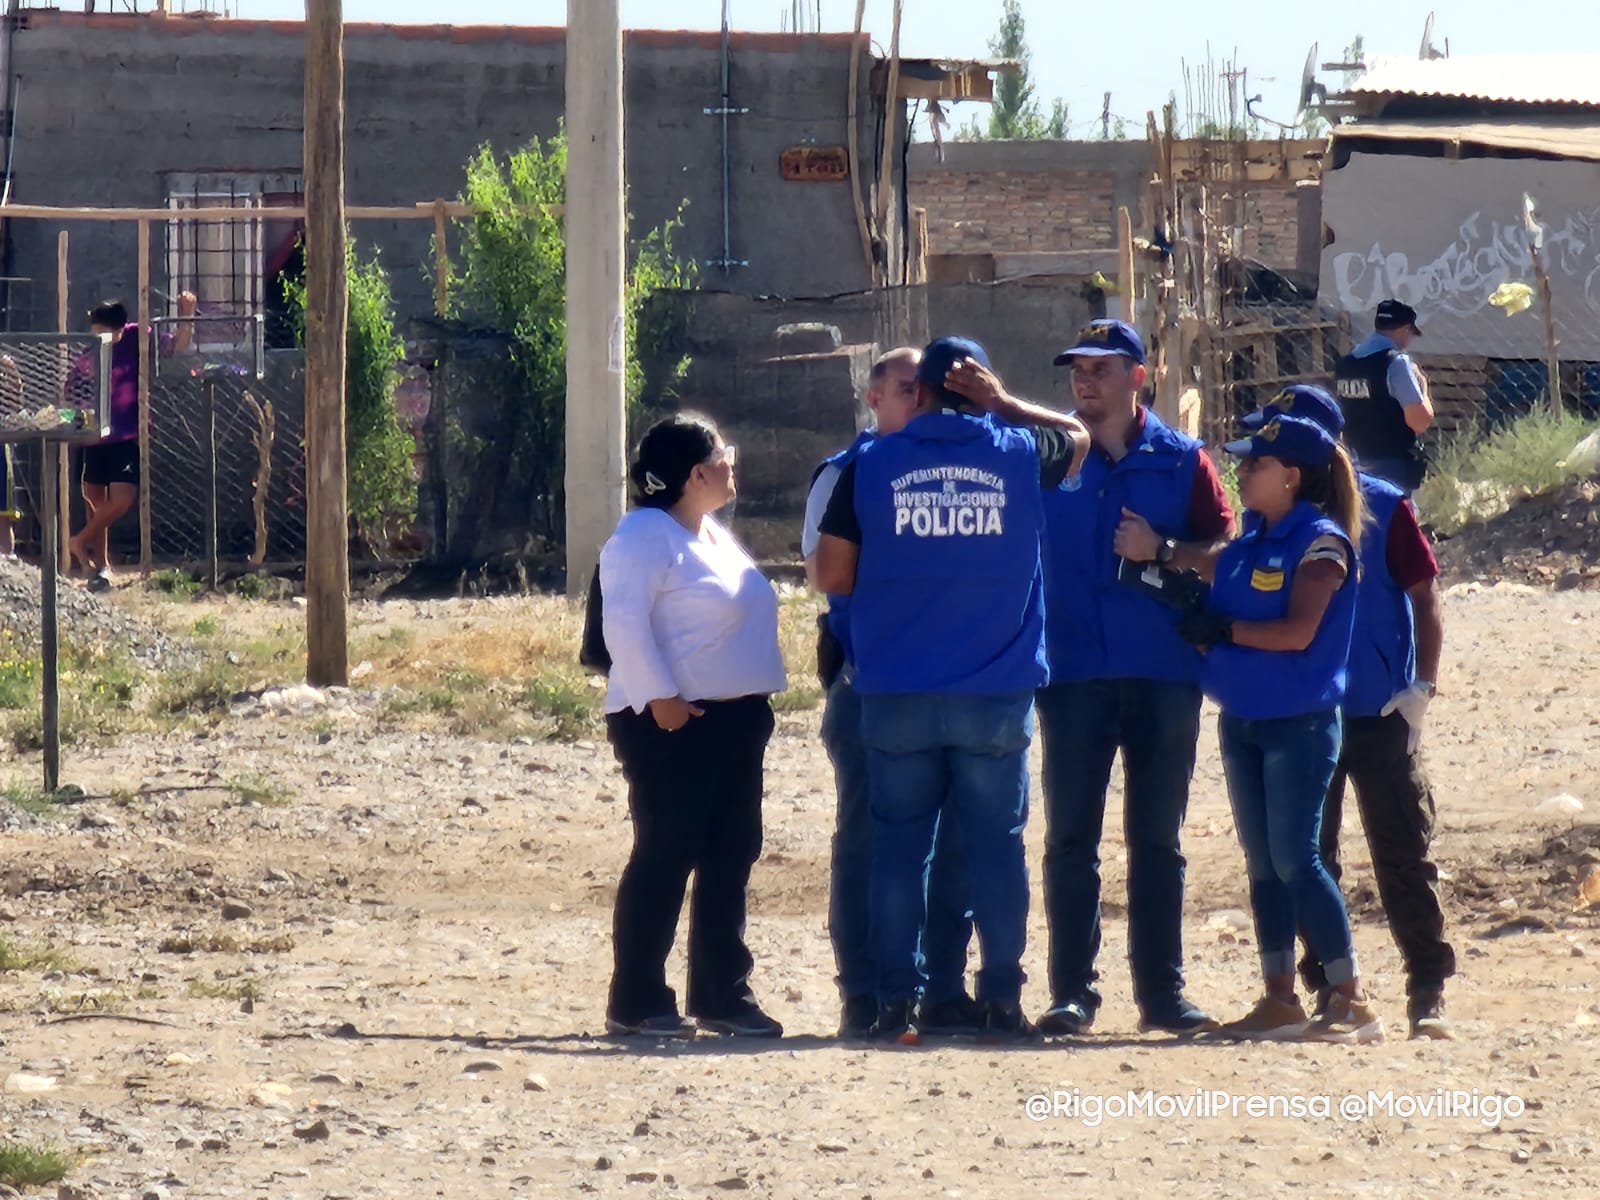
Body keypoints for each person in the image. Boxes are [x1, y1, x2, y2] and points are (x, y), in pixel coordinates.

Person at [813, 336, 1089, 1044]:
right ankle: (1000, 1000)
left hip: (897, 690)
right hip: (994, 692)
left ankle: (895, 1005)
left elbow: (834, 575)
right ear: (981, 389)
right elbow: (1080, 438)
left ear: (921, 393)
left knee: (899, 852)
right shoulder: (1020, 454)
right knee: (997, 850)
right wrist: (1008, 404)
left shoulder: (870, 465)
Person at [1033, 319, 1235, 1038]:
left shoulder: (1183, 461)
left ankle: (1161, 994)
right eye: (1076, 368)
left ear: (1138, 378)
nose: (1084, 380)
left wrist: (1166, 549)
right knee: (1069, 842)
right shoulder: (1050, 457)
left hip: (1162, 675)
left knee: (1156, 841)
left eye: (1101, 367)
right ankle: (1072, 995)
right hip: (1072, 676)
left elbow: (1226, 555)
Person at [1247, 389, 1457, 1041]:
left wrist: (1420, 686)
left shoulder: (1386, 508)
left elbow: (1424, 596)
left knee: (1403, 853)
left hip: (1377, 712)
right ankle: (1329, 989)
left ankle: (1428, 989)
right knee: (1310, 856)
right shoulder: (1269, 519)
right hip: (1306, 714)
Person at [1180, 413, 1380, 1043]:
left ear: (1291, 476)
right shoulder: (1246, 544)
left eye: (1255, 465)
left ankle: (1351, 998)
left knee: (1297, 857)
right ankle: (1279, 998)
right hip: (1243, 721)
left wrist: (1226, 633)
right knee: (1264, 863)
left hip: (1299, 723)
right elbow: (1213, 591)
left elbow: (1298, 633)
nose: (1240, 472)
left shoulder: (1320, 544)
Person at [803, 347, 975, 1038]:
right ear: (875, 400)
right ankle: (866, 992)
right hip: (869, 683)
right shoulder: (846, 473)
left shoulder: (967, 473)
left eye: (928, 391)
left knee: (955, 842)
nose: (921, 401)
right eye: (907, 390)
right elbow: (827, 574)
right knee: (868, 841)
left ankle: (940, 989)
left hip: (958, 684)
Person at [598, 414, 788, 1039]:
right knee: (667, 850)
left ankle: (722, 994)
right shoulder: (644, 533)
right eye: (722, 452)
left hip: (733, 719)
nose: (733, 460)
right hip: (673, 722)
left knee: (731, 853)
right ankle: (638, 999)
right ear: (695, 472)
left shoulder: (707, 532)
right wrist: (661, 698)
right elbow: (622, 623)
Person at [70, 294, 195, 590]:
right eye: (95, 331)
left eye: (103, 332)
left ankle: (79, 540)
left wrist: (186, 313)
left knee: (123, 499)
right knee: (95, 502)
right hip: (93, 436)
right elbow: (72, 386)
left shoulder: (140, 338)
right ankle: (101, 566)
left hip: (126, 433)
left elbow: (178, 345)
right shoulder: (89, 353)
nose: (98, 337)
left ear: (120, 329)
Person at [1334, 299, 1433, 494]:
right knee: (1396, 522)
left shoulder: (1346, 364)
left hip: (1354, 464)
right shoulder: (1396, 363)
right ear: (1405, 329)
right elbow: (1420, 421)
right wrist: (1423, 385)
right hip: (1391, 468)